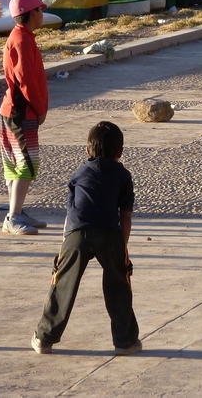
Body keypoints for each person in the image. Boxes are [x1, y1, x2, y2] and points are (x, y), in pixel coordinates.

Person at [32, 120, 141, 356]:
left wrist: (64, 250)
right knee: (118, 286)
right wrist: (122, 250)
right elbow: (125, 218)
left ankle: (44, 338)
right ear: (120, 152)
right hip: (109, 233)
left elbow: (70, 216)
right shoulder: (123, 176)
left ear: (87, 151)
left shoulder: (78, 174)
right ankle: (125, 342)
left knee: (63, 285)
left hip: (76, 234)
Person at [0, 0, 50, 235]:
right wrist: (40, 109)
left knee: (15, 164)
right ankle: (14, 216)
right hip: (21, 112)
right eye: (40, 9)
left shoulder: (22, 36)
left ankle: (16, 210)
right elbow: (26, 80)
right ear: (31, 13)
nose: (42, 13)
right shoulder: (22, 40)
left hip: (12, 110)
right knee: (27, 165)